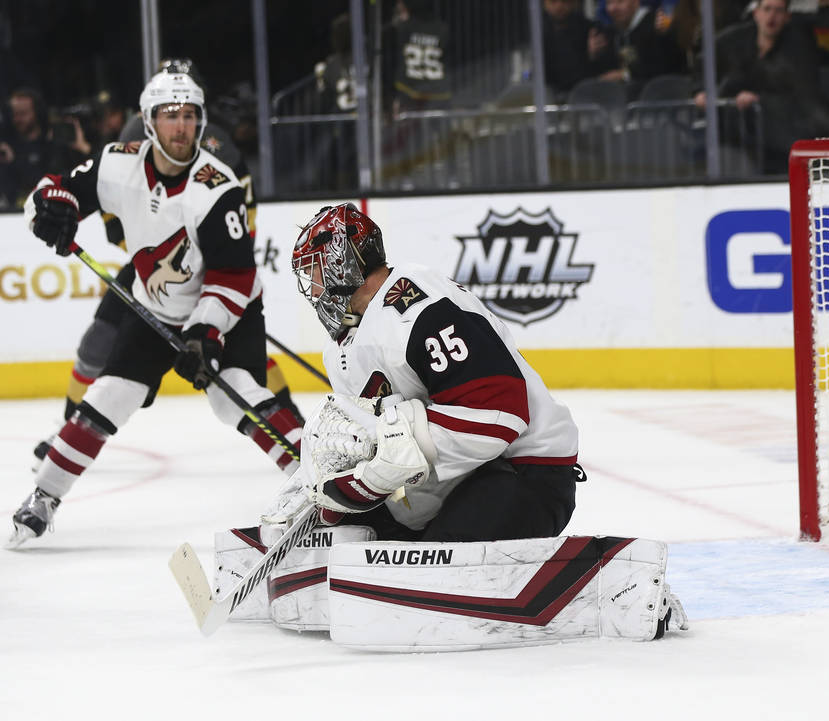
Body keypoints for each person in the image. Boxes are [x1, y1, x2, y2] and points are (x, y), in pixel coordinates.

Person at [7, 70, 304, 547]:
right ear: (148, 121)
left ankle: (320, 479)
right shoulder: (118, 162)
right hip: (154, 309)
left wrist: (205, 332)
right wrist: (49, 209)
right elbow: (55, 189)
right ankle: (44, 496)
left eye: (189, 115)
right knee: (109, 394)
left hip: (229, 310)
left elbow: (234, 275)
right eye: (170, 115)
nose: (181, 126)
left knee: (235, 394)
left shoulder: (217, 187)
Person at [264, 202, 580, 543]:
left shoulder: (419, 307)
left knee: (433, 560)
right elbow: (373, 440)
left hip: (525, 470)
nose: (312, 290)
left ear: (342, 265)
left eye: (314, 272)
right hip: (456, 481)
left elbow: (499, 411)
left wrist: (388, 459)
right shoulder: (344, 342)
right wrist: (329, 489)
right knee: (345, 538)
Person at [694, 0, 829, 170]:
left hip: (783, 136)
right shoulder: (734, 40)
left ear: (787, 17)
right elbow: (704, 61)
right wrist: (701, 90)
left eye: (778, 11)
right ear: (756, 13)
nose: (771, 16)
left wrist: (759, 100)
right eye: (767, 9)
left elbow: (803, 96)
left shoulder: (799, 48)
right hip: (740, 132)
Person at [590, 0, 688, 98]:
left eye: (620, 1)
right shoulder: (610, 33)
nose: (613, 8)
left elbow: (660, 70)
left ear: (636, 2)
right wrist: (592, 54)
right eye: (609, 3)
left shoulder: (657, 25)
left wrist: (624, 76)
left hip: (662, 98)